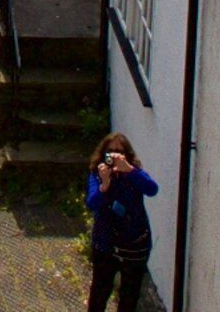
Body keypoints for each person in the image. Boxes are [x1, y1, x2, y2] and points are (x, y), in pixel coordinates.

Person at [81, 133, 156, 312]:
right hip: (106, 243)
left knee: (130, 294)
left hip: (133, 243)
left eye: (119, 153)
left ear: (127, 155)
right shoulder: (97, 175)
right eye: (110, 153)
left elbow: (152, 189)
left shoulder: (134, 174)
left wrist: (129, 170)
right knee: (100, 290)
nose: (113, 159)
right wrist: (104, 184)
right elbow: (92, 203)